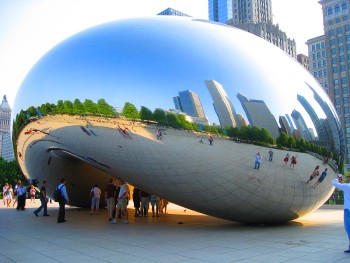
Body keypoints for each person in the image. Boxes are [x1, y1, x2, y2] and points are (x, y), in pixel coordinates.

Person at [332, 174, 350, 253]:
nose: (347, 178)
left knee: (348, 229)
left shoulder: (347, 186)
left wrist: (337, 179)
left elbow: (334, 183)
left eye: (348, 176)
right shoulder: (346, 186)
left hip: (348, 210)